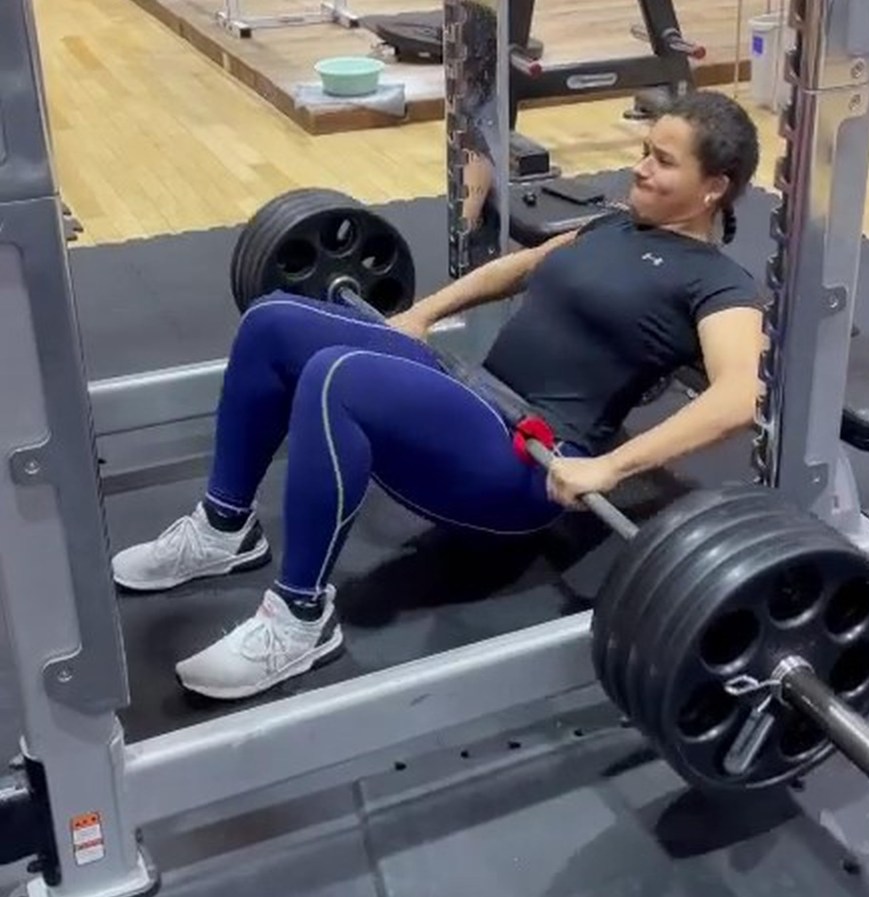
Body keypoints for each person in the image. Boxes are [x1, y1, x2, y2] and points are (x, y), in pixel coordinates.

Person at [111, 89, 767, 701]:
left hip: (524, 460)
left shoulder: (718, 284)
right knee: (274, 322)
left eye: (663, 161)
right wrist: (422, 313)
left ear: (714, 188)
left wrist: (610, 466)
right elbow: (525, 265)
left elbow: (739, 396)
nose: (641, 168)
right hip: (476, 397)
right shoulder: (617, 227)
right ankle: (225, 528)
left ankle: (299, 618)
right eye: (644, 150)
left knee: (338, 377)